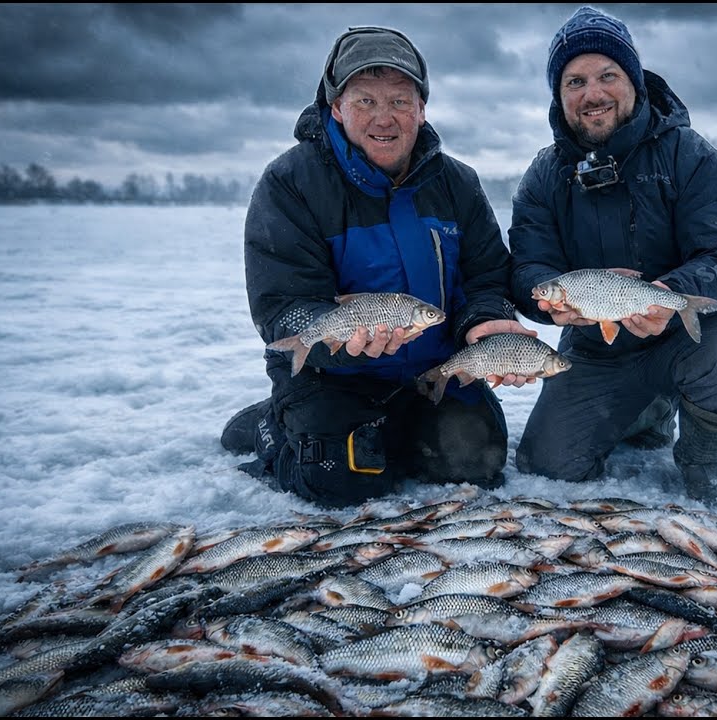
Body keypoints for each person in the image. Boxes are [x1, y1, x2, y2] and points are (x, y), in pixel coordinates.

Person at [220, 25, 535, 507]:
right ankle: (272, 424)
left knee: (476, 465)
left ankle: (397, 430)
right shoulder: (291, 182)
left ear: (422, 108)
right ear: (336, 106)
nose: (384, 118)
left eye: (400, 101)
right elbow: (283, 305)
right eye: (364, 100)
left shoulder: (458, 183)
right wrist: (341, 343)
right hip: (333, 376)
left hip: (435, 368)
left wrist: (483, 325)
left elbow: (487, 276)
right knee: (339, 483)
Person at [507, 6, 717, 510]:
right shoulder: (544, 174)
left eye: (607, 75)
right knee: (548, 466)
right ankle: (645, 411)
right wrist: (547, 300)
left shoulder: (689, 155)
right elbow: (526, 266)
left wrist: (667, 296)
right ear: (560, 94)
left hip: (691, 337)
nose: (592, 93)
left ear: (633, 81)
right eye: (574, 81)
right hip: (597, 345)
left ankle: (704, 458)